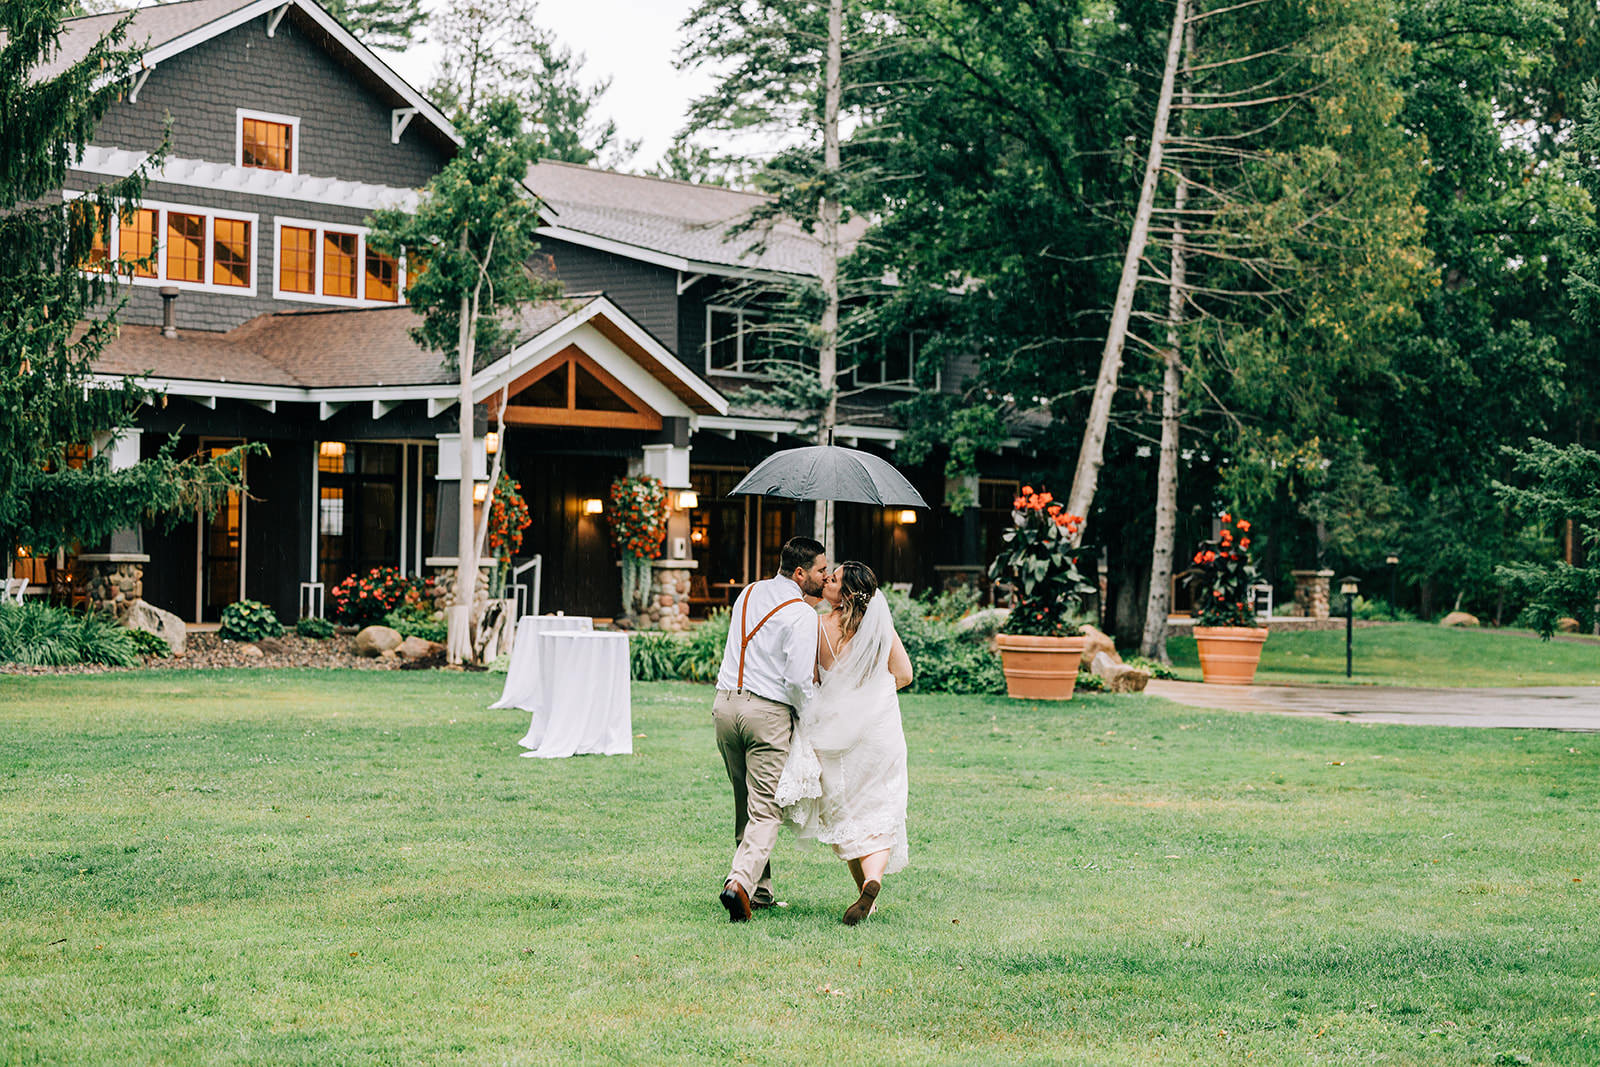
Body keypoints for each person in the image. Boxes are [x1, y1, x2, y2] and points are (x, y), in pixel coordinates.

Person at [777, 561, 914, 925]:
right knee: (881, 811)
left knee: (849, 815)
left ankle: (866, 892)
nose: (826, 580)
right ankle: (872, 882)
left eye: (833, 579)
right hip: (878, 734)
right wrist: (868, 695)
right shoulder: (880, 627)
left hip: (834, 737)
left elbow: (810, 680)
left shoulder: (818, 626)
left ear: (846, 594)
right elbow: (904, 674)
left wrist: (841, 696)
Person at [711, 535, 828, 922]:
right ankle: (739, 883)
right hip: (767, 714)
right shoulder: (801, 614)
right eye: (821, 571)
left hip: (726, 705)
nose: (825, 578)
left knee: (745, 803)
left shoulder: (748, 592)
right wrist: (807, 715)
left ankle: (760, 891)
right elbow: (796, 680)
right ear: (800, 572)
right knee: (766, 810)